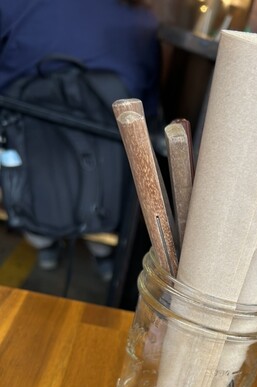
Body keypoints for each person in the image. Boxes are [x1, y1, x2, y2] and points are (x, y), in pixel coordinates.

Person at [0, 0, 162, 280]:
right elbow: (147, 106)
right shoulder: (142, 21)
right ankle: (102, 253)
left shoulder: (13, 6)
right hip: (106, 193)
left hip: (28, 184)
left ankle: (44, 242)